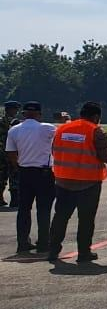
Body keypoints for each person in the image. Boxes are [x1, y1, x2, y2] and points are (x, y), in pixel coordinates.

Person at [48, 102, 107, 263]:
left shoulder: (62, 129)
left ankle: (53, 250)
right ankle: (83, 253)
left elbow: (53, 150)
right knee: (86, 219)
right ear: (96, 117)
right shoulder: (96, 131)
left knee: (60, 217)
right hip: (88, 182)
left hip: (63, 180)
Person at [5, 102, 56, 254]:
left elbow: (11, 153)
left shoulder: (14, 130)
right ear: (39, 114)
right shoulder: (47, 128)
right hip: (44, 173)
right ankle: (43, 243)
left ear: (24, 114)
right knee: (44, 209)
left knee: (24, 209)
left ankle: (22, 243)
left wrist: (18, 166)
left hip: (24, 172)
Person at [0, 100, 20, 207]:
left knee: (2, 176)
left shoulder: (1, 121)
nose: (16, 111)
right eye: (15, 109)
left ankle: (1, 198)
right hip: (12, 153)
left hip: (2, 153)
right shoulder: (17, 123)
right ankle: (15, 200)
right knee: (14, 176)